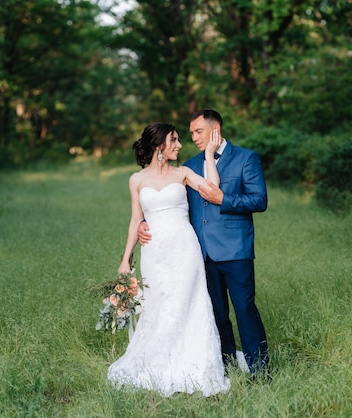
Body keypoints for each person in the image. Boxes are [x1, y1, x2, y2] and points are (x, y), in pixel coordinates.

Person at [138, 109, 270, 379]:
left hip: (235, 250)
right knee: (215, 312)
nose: (194, 138)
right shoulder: (190, 165)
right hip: (198, 252)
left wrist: (226, 200)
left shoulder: (246, 158)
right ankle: (225, 363)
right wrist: (143, 222)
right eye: (191, 134)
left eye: (198, 132)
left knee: (245, 309)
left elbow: (259, 200)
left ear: (215, 129)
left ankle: (259, 368)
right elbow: (168, 201)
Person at [108, 122, 230, 397]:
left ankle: (193, 362)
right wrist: (125, 259)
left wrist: (210, 154)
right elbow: (135, 220)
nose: (179, 145)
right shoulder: (136, 180)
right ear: (159, 145)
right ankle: (157, 361)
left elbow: (212, 188)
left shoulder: (183, 173)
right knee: (158, 304)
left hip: (185, 249)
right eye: (174, 140)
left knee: (189, 303)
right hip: (154, 252)